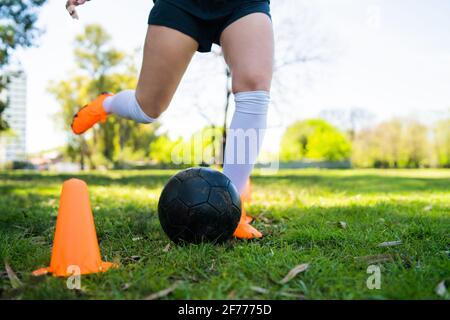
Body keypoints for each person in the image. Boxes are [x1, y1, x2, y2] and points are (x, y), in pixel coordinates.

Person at [67, 0, 274, 239]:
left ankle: (232, 211)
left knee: (255, 88)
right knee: (146, 108)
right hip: (179, 5)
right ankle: (106, 104)